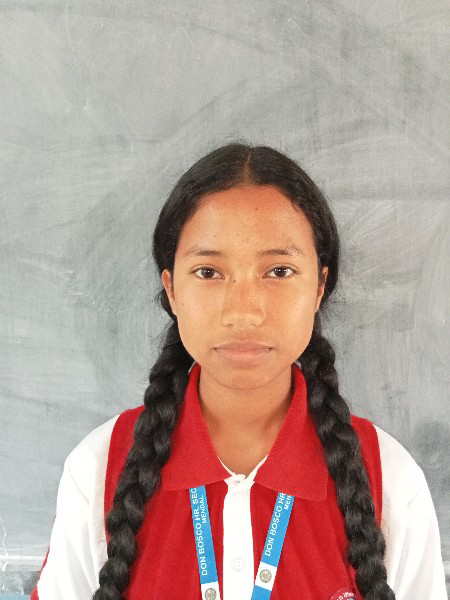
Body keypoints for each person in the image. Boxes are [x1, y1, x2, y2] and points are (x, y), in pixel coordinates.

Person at [31, 143, 447, 600]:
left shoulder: (390, 480)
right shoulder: (97, 470)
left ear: (319, 286)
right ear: (172, 289)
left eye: (279, 271)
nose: (243, 312)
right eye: (209, 272)